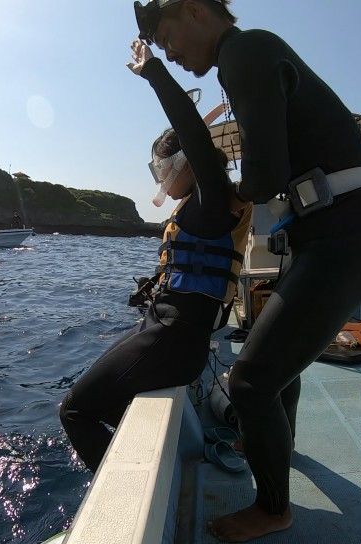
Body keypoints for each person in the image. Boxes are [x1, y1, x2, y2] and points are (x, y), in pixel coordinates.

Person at [134, 0, 361, 542]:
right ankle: (276, 448)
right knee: (275, 374)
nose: (171, 52)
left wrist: (222, 191)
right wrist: (154, 73)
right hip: (330, 238)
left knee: (248, 382)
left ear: (196, 10)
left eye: (166, 37)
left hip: (341, 242)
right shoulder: (248, 55)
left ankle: (274, 508)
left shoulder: (244, 51)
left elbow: (266, 174)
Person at [58, 38, 252, 473]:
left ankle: (118, 501)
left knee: (73, 411)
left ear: (187, 163)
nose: (162, 179)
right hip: (168, 332)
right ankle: (141, 472)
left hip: (174, 339)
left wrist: (154, 73)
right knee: (108, 406)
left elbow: (195, 135)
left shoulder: (211, 199)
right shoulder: (200, 207)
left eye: (165, 170)